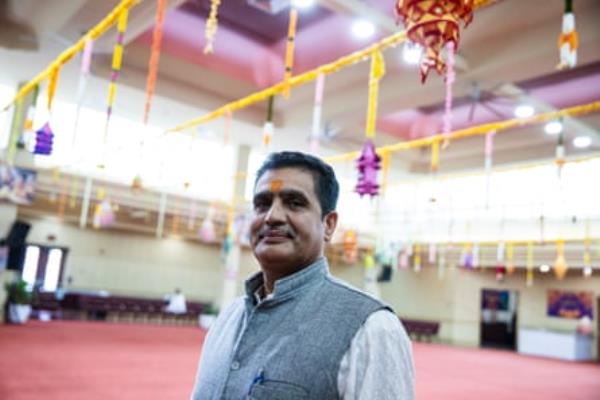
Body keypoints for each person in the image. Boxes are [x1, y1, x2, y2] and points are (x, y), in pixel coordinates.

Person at [191, 151, 414, 399]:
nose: (272, 216)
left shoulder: (372, 329)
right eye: (262, 204)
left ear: (328, 225)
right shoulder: (229, 319)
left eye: (295, 203)